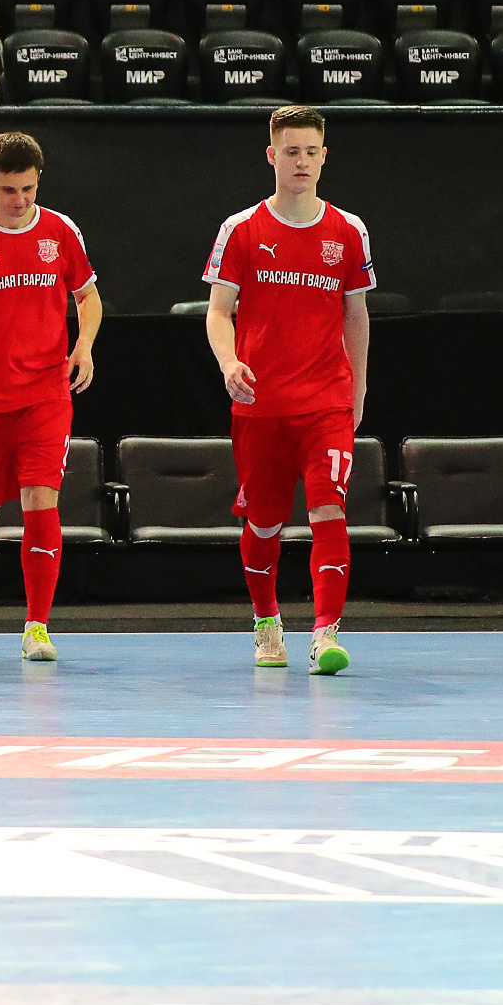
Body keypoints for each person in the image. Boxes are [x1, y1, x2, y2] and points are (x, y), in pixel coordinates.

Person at [203, 106, 372, 673]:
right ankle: (266, 621)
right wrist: (229, 362)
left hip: (326, 401)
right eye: (291, 151)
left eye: (311, 152)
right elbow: (218, 311)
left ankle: (326, 633)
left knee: (329, 510)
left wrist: (358, 389)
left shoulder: (348, 230)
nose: (302, 161)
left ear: (324, 158)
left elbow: (356, 315)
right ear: (272, 156)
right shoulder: (241, 228)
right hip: (261, 404)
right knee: (264, 523)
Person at [0, 132, 100, 661]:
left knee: (41, 503)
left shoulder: (60, 230)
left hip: (46, 394)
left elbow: (88, 296)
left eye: (29, 189)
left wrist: (84, 344)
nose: (20, 200)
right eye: (9, 190)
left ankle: (37, 625)